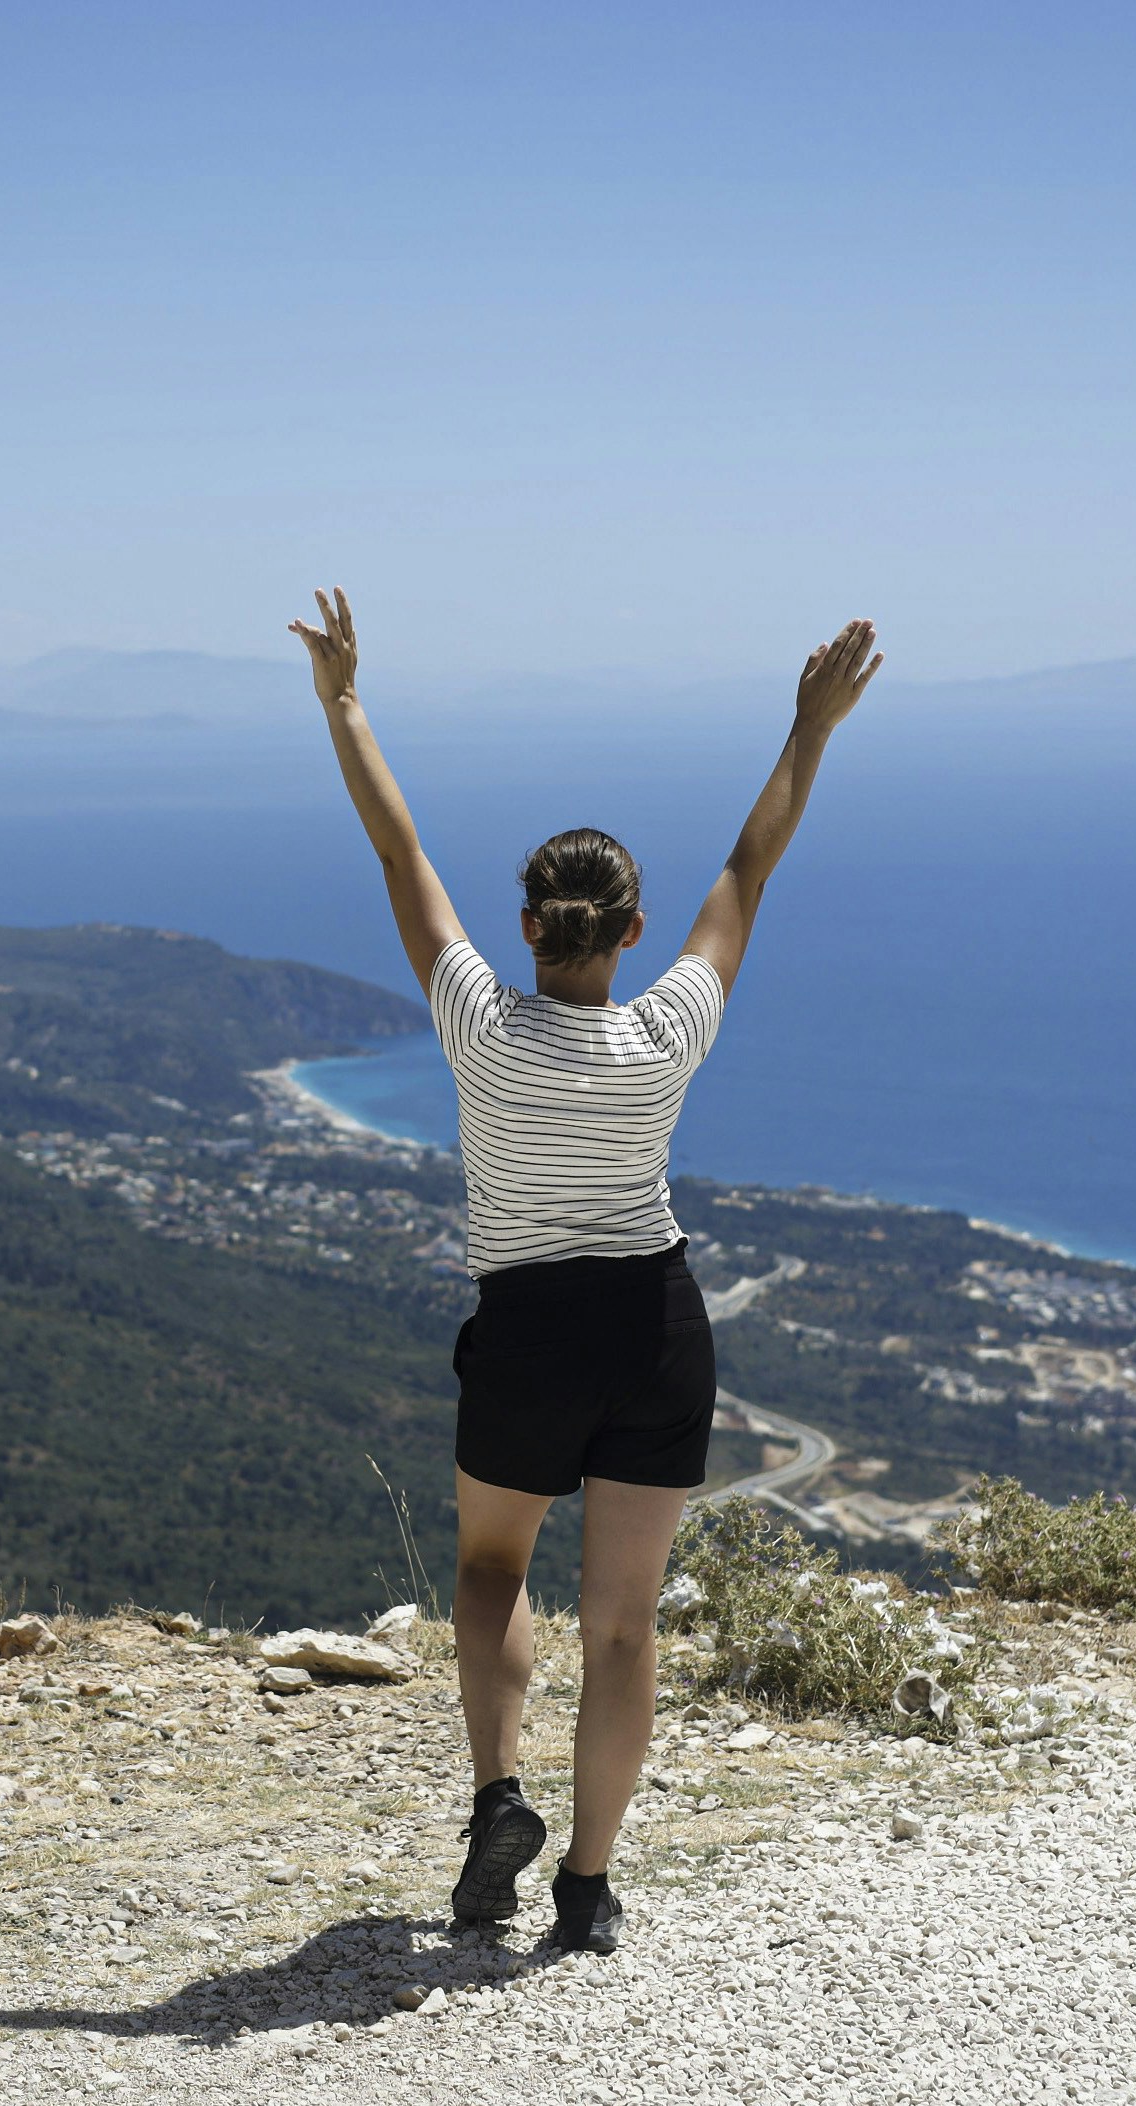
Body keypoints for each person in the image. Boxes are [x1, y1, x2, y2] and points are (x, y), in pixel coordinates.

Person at [288, 588, 881, 1953]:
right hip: (656, 1329)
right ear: (624, 935)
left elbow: (398, 849)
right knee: (623, 1627)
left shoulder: (477, 1024)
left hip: (528, 1329)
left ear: (527, 924)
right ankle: (589, 1888)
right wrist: (807, 723)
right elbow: (747, 869)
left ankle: (498, 1792)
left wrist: (346, 701)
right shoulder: (665, 1030)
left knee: (493, 1566)